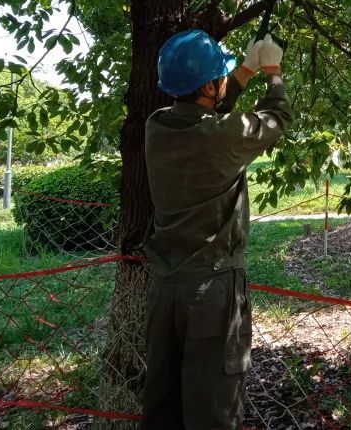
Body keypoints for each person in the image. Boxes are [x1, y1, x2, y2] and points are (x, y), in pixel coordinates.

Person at [142, 29, 293, 430]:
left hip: (165, 290)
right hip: (212, 294)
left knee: (163, 408)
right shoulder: (221, 136)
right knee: (213, 413)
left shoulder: (156, 128)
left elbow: (208, 110)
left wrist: (243, 70)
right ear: (210, 85)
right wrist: (273, 72)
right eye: (220, 76)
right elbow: (276, 119)